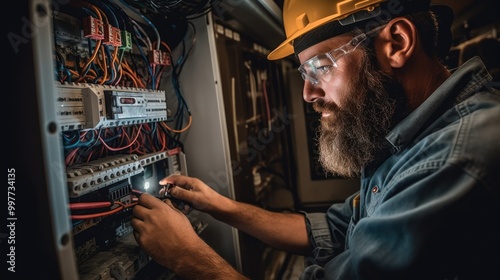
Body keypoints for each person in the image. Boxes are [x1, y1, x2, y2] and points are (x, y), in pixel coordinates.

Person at [131, 0, 500, 279]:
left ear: (397, 43)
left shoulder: (454, 159)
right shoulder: (412, 137)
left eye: (320, 67)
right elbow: (337, 230)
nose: (307, 93)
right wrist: (218, 205)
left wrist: (188, 257)